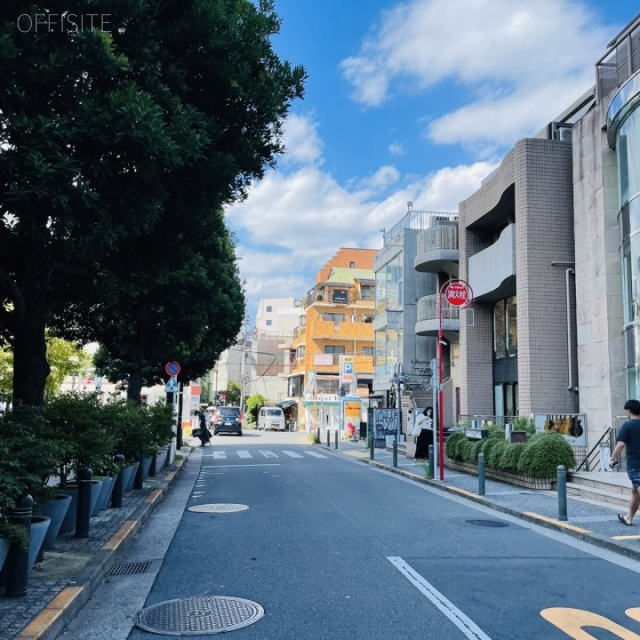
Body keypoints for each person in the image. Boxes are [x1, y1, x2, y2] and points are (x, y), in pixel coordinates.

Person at [609, 399, 640, 525]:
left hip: (635, 464)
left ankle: (629, 518)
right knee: (635, 492)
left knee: (638, 489)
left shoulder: (627, 426)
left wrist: (612, 459)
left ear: (629, 411)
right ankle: (629, 518)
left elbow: (620, 445)